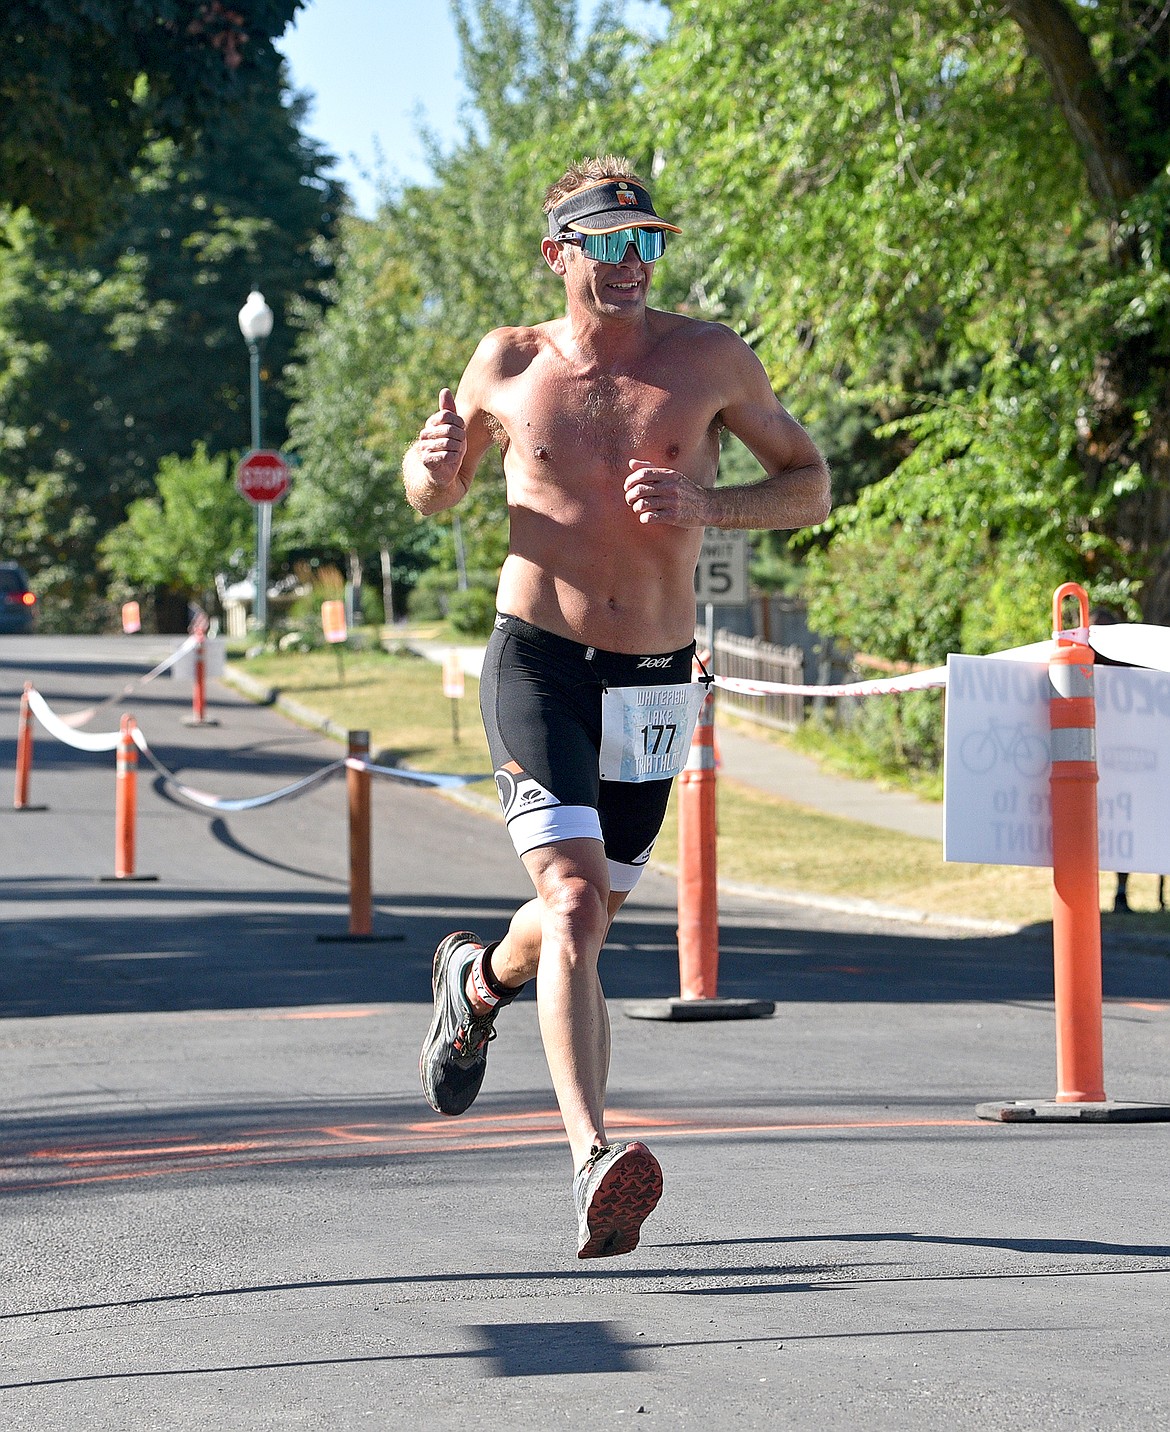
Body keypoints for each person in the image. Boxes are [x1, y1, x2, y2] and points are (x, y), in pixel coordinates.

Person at [401, 155, 831, 1258]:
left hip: (653, 677)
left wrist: (706, 502)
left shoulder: (708, 359)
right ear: (561, 253)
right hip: (536, 661)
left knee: (575, 922)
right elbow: (435, 490)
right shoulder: (508, 360)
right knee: (580, 904)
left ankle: (477, 981)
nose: (635, 263)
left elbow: (809, 482)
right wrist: (429, 464)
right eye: (611, 244)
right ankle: (592, 1155)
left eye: (648, 243)